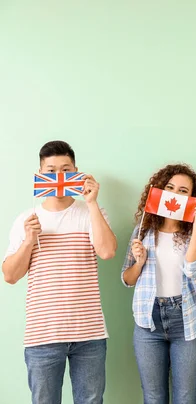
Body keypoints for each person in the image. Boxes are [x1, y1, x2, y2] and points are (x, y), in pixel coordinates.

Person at [2, 140, 117, 404]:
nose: (59, 176)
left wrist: (91, 203)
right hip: (42, 334)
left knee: (91, 401)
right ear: (41, 174)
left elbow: (107, 251)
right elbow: (10, 275)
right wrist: (30, 240)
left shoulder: (92, 213)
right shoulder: (25, 219)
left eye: (66, 169)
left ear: (76, 171)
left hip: (89, 334)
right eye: (51, 170)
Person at [121, 164, 196, 404]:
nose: (174, 194)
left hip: (188, 319)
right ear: (160, 191)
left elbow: (194, 270)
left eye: (183, 190)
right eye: (170, 187)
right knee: (153, 396)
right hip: (148, 320)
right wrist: (139, 262)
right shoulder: (143, 232)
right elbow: (127, 279)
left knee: (185, 397)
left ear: (193, 198)